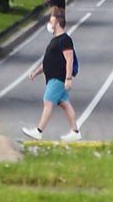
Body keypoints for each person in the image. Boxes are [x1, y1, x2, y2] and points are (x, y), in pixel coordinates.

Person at [22, 13, 81, 142]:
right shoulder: (55, 40)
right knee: (65, 103)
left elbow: (69, 59)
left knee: (48, 101)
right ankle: (75, 131)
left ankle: (39, 131)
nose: (49, 24)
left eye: (51, 21)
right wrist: (36, 72)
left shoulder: (65, 39)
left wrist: (68, 78)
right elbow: (48, 61)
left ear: (58, 24)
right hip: (52, 78)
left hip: (58, 78)